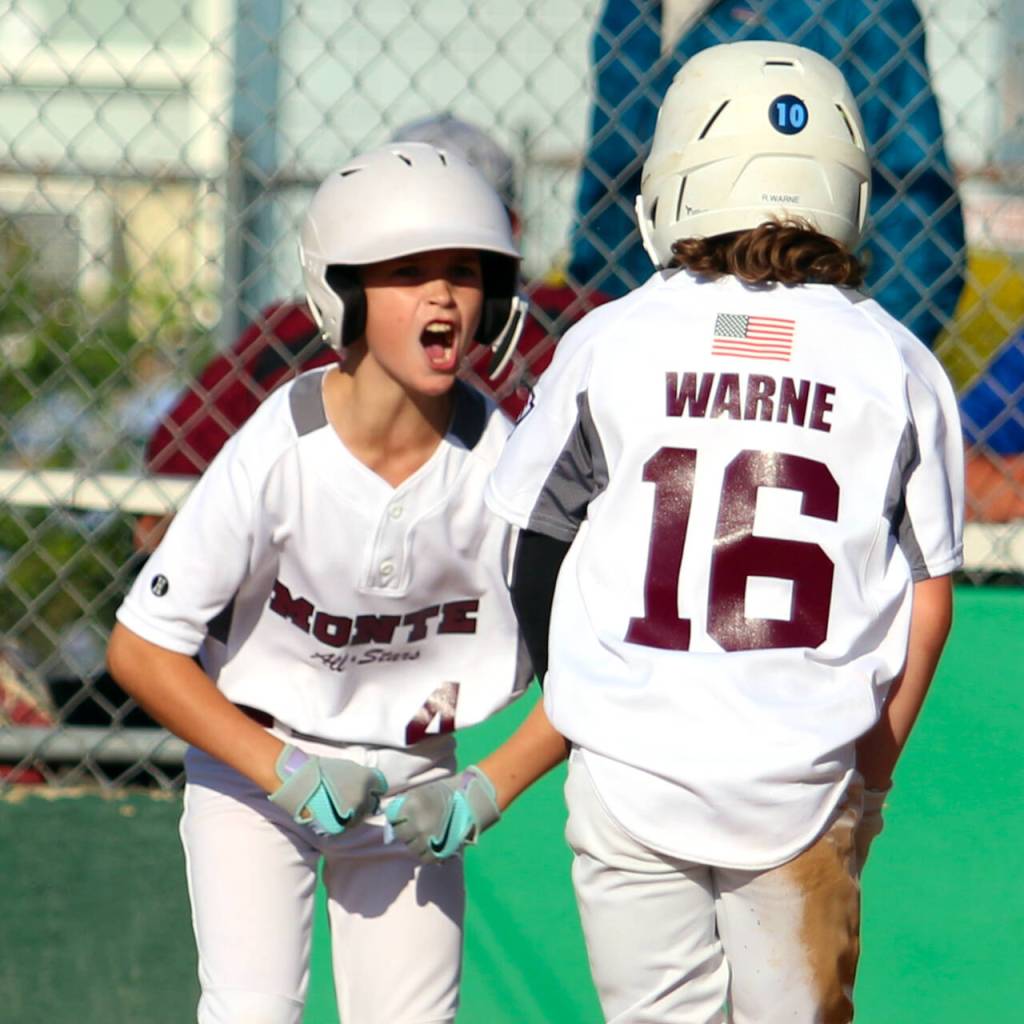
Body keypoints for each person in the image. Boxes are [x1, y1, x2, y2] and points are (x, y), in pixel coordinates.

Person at [479, 41, 963, 1022]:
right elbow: (928, 601)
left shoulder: (612, 339)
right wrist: (871, 779)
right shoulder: (898, 365)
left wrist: (564, 678)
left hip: (628, 769)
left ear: (675, 180)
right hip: (800, 776)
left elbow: (528, 536)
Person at [106, 142, 566, 1024]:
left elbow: (588, 669)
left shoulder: (503, 462)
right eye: (406, 272)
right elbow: (142, 650)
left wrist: (486, 789)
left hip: (414, 782)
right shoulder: (279, 450)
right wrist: (280, 770)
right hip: (255, 770)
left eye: (465, 271)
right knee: (249, 1012)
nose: (443, 296)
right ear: (342, 294)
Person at [136, 114, 609, 552]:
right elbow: (161, 506)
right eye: (408, 257)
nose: (438, 289)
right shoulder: (293, 332)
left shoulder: (581, 328)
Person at [568, 0, 965, 349]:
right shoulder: (629, 11)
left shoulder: (859, 8)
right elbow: (606, 181)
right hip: (646, 325)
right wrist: (595, 310)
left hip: (801, 341)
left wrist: (871, 361)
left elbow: (918, 220)